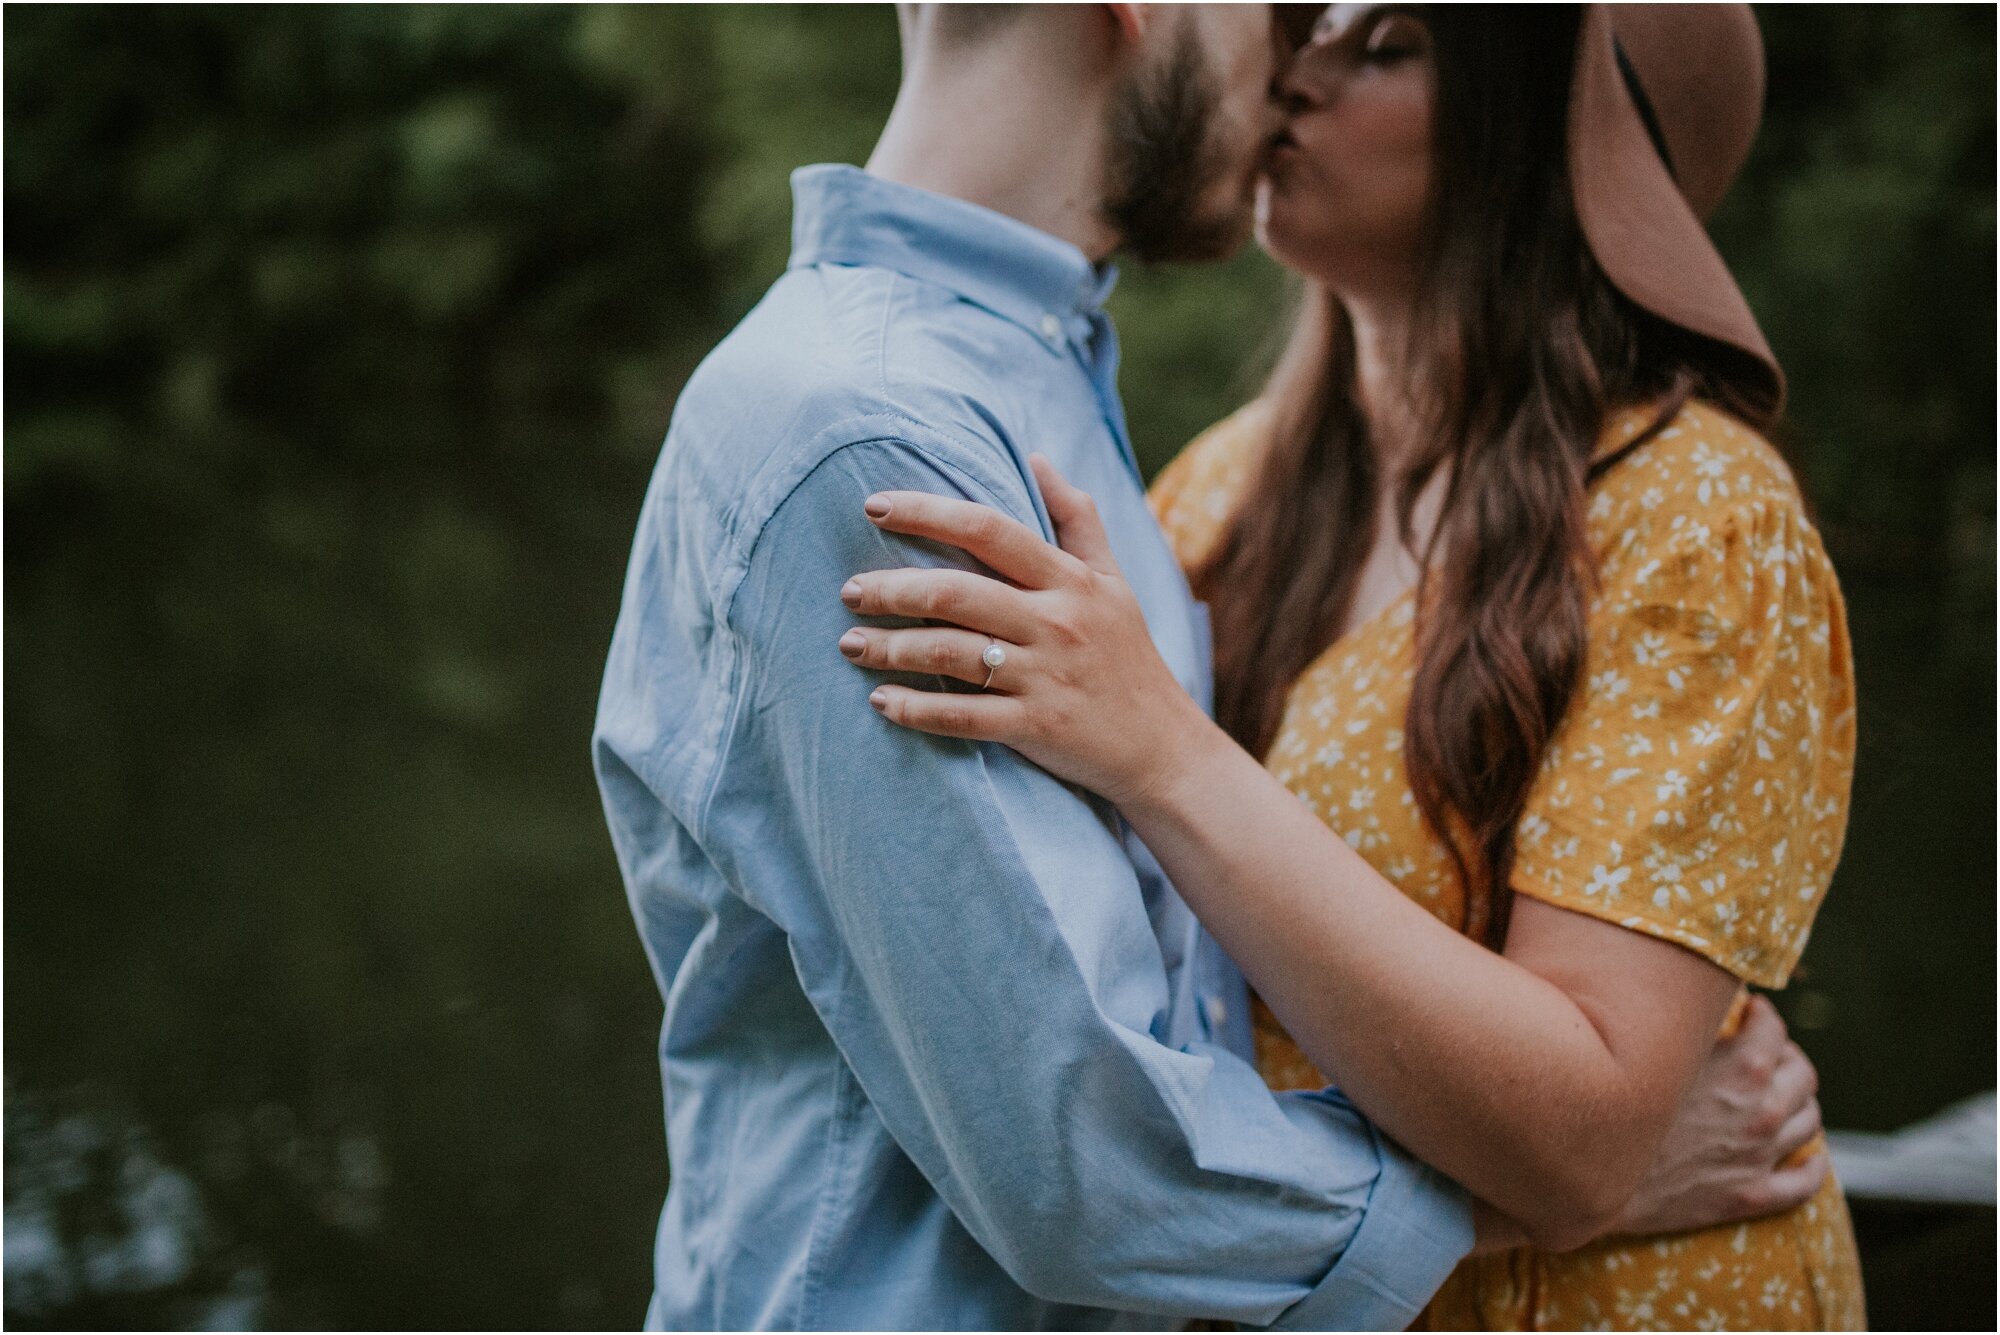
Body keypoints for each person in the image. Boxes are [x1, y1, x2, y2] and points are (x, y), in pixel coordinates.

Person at [596, 4, 1829, 1329]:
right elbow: (1087, 1159)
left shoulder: (1691, 520)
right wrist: (1496, 1206)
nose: (1296, 68)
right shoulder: (1195, 494)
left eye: (1385, 42)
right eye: (1294, 18)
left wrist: (1168, 755)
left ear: (1530, 145)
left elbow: (1569, 1124)